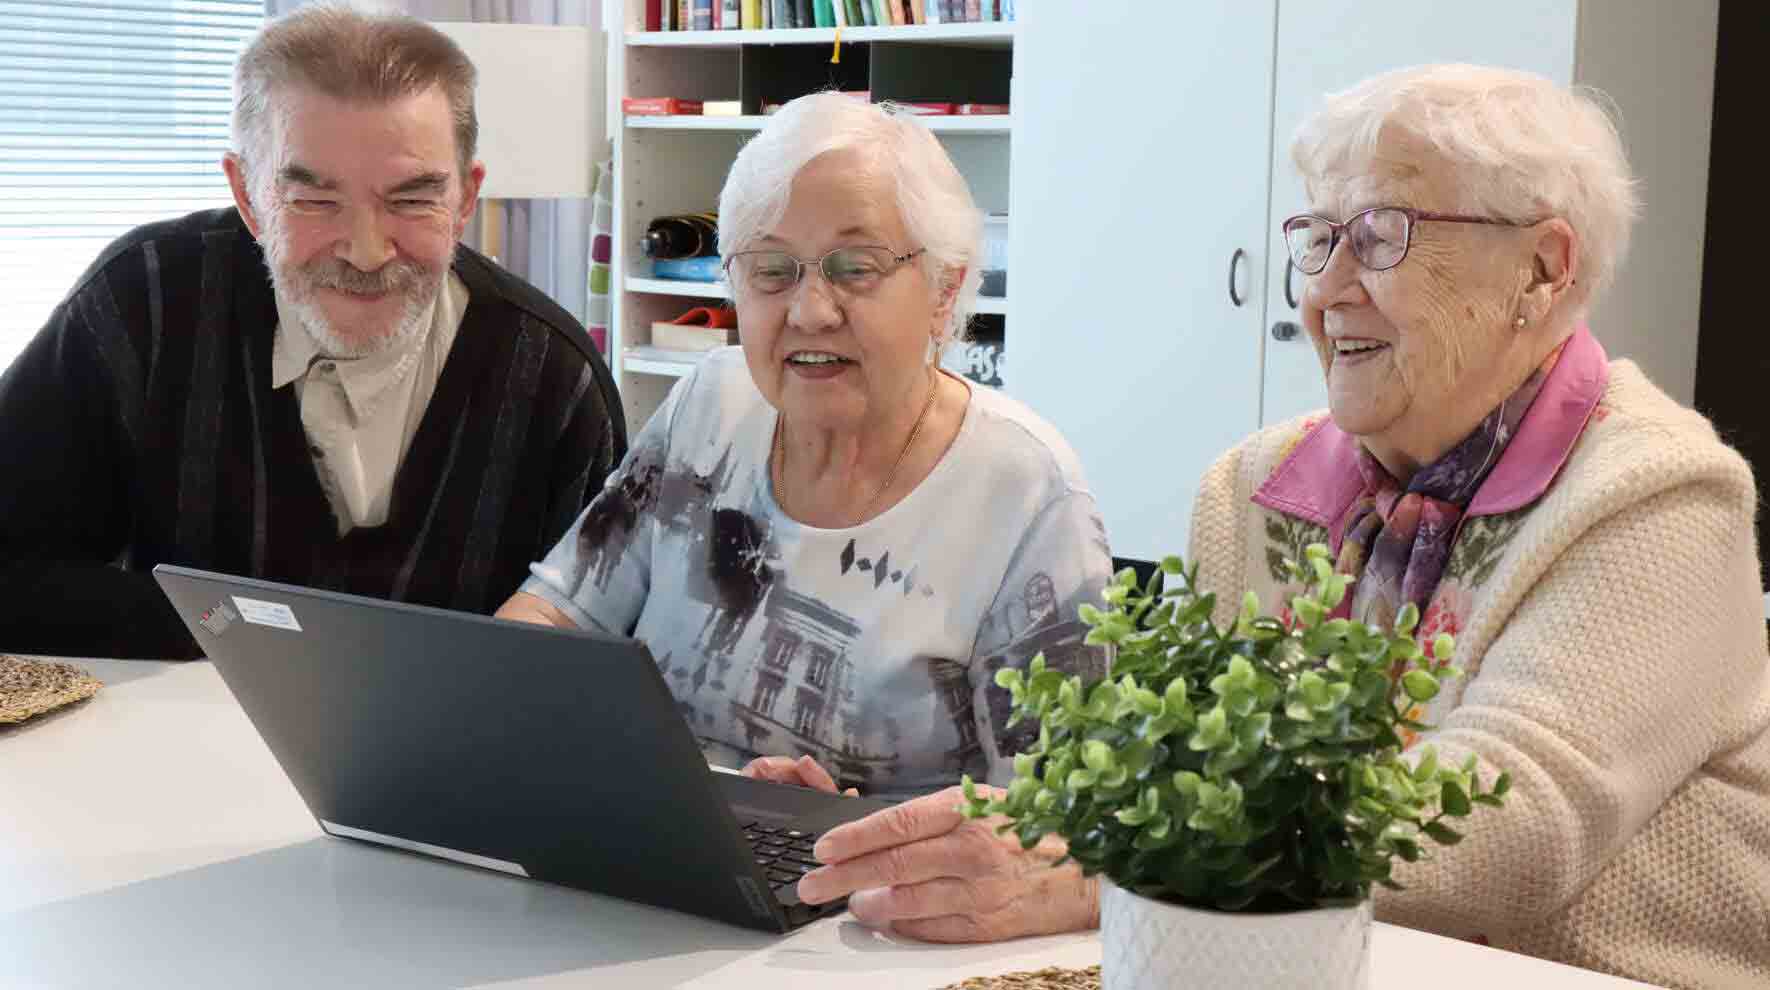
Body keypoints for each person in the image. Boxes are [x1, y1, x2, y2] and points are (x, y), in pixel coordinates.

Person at [1184, 65, 1770, 987]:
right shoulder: (1252, 486)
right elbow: (1185, 759)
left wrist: (1155, 853)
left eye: (1380, 237)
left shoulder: (1659, 493)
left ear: (1543, 269)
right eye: (1321, 238)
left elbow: (1508, 816)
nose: (1327, 291)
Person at [498, 92, 1111, 941]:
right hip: (656, 884)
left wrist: (853, 824)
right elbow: (553, 615)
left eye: (855, 268)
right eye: (772, 269)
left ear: (944, 291)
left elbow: (1071, 835)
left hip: (882, 934)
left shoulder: (1025, 491)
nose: (810, 310)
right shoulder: (711, 405)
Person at [0, 3, 625, 660]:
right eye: (315, 201)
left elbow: (600, 651)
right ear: (248, 196)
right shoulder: (143, 305)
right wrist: (233, 629)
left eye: (412, 199)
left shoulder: (553, 378)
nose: (366, 252)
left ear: (465, 199)